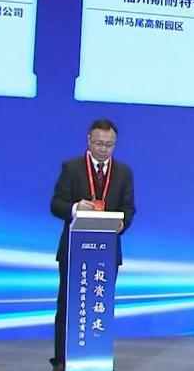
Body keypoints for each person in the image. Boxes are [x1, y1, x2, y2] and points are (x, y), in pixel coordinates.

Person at [49, 119, 136, 371]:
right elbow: (56, 205)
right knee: (68, 305)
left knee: (100, 304)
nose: (103, 149)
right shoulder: (72, 167)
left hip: (107, 252)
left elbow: (129, 208)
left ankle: (96, 356)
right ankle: (62, 359)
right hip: (74, 250)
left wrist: (123, 222)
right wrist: (76, 208)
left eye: (109, 145)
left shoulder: (123, 172)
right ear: (89, 140)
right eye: (99, 143)